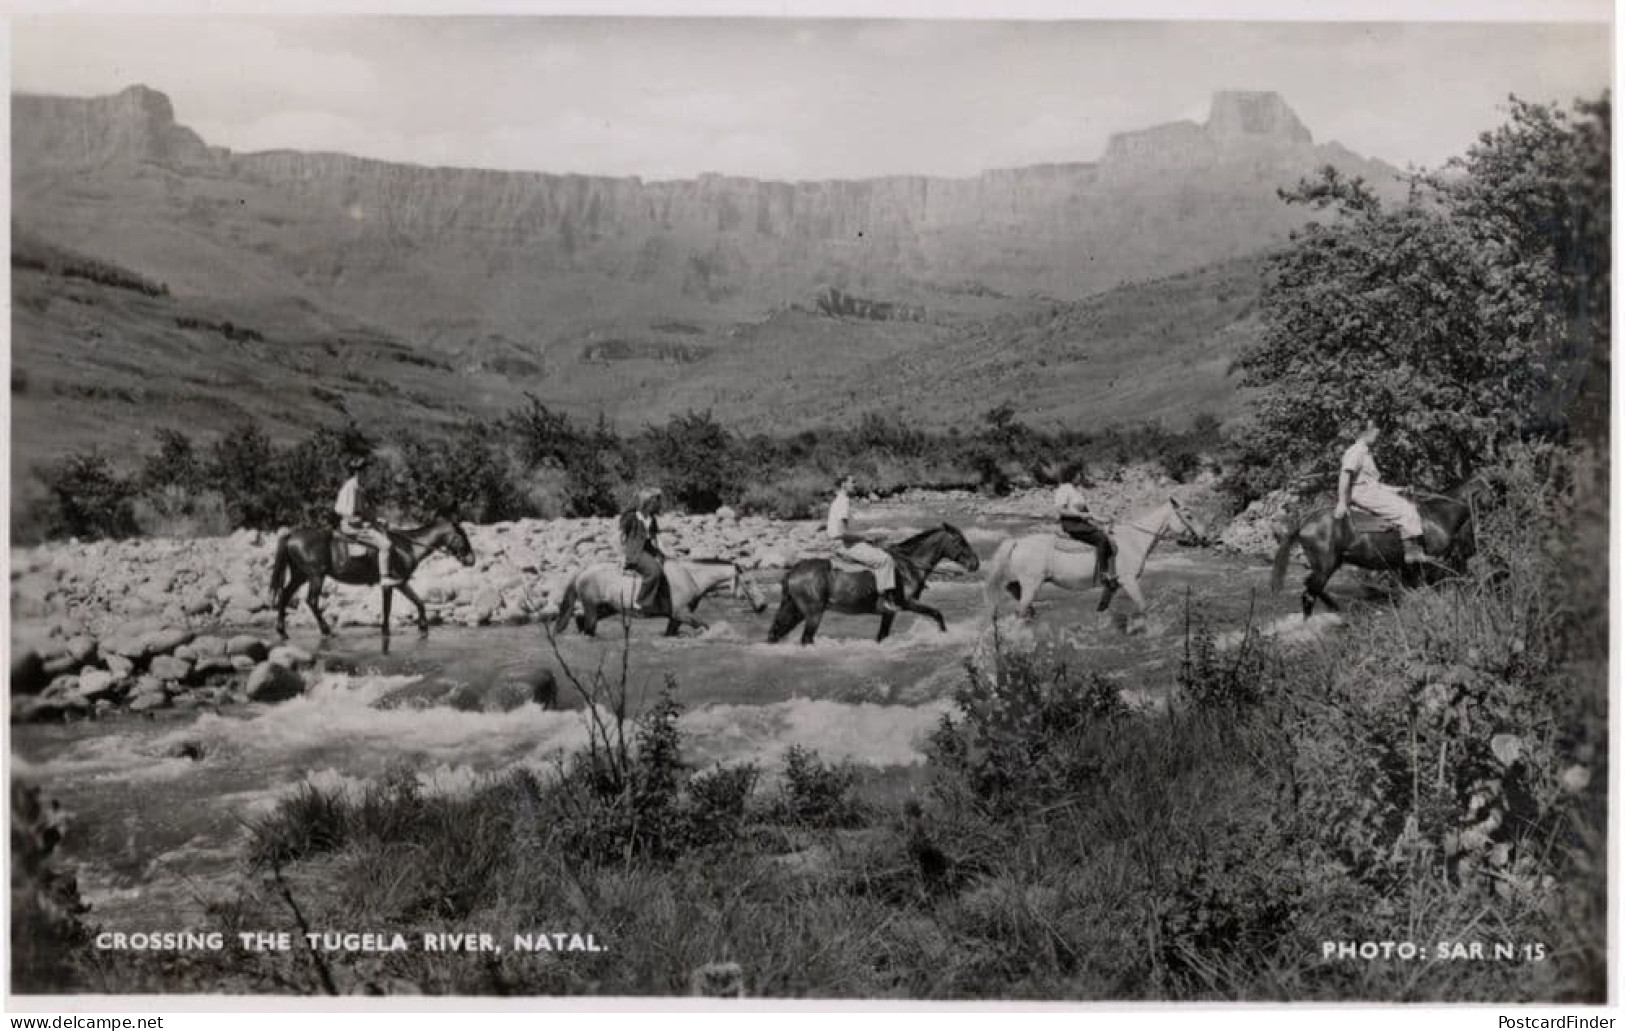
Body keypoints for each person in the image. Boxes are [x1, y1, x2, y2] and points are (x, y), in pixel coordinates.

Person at [1335, 419, 1427, 566]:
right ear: (1366, 433)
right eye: (1375, 434)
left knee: (1409, 503)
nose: (1377, 438)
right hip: (1362, 493)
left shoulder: (1365, 452)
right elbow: (1345, 476)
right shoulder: (1356, 451)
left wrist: (1399, 490)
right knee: (1407, 510)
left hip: (1369, 490)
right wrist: (1341, 502)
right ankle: (1412, 552)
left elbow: (1374, 484)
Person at [827, 475, 900, 614]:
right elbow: (842, 532)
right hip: (844, 544)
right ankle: (883, 601)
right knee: (885, 560)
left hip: (841, 542)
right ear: (844, 485)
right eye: (853, 482)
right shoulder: (843, 502)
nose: (855, 484)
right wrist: (865, 538)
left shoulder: (840, 501)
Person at [334, 455, 398, 587]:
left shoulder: (358, 487)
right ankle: (384, 577)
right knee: (386, 545)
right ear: (358, 471)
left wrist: (377, 520)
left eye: (366, 470)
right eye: (364, 470)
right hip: (351, 527)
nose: (367, 473)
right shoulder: (352, 488)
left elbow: (363, 512)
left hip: (356, 524)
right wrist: (364, 523)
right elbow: (350, 515)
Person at [1054, 472, 1119, 588]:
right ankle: (1103, 573)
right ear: (1071, 475)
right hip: (1072, 524)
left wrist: (1102, 519)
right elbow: (1060, 510)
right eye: (1078, 474)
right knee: (1102, 538)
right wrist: (1079, 515)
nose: (1080, 477)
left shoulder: (1077, 491)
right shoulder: (1064, 489)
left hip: (1081, 522)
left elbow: (1088, 513)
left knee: (1107, 535)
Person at [620, 487, 669, 615]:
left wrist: (661, 552)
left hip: (648, 549)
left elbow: (654, 538)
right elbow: (621, 527)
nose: (656, 504)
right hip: (635, 552)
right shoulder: (632, 517)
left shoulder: (652, 519)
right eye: (654, 501)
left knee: (668, 568)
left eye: (657, 501)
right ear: (646, 502)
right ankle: (640, 603)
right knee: (654, 571)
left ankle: (663, 604)